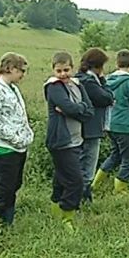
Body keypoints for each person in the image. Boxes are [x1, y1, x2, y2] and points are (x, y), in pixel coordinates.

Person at [43, 51, 94, 231]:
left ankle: (56, 210)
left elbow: (89, 111)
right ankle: (67, 217)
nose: (63, 74)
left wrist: (73, 109)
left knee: (61, 177)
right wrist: (74, 109)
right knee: (75, 181)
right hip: (61, 141)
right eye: (59, 70)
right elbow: (68, 106)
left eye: (66, 69)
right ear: (53, 70)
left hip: (76, 139)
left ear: (72, 68)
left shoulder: (77, 85)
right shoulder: (53, 87)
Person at [0, 52, 34, 225]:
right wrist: (14, 138)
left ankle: (8, 222)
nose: (23, 75)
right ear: (11, 68)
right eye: (21, 71)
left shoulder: (12, 88)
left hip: (18, 146)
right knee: (5, 188)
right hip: (4, 147)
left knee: (14, 185)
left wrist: (27, 134)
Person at [90, 49, 129, 195]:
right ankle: (120, 190)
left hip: (110, 124)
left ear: (117, 63)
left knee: (115, 155)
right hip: (126, 125)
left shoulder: (107, 79)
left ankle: (95, 184)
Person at [75, 48, 114, 203]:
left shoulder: (80, 79)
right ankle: (84, 198)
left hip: (81, 128)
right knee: (88, 166)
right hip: (91, 130)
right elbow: (107, 98)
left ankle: (80, 196)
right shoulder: (89, 82)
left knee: (81, 162)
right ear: (98, 66)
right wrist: (103, 81)